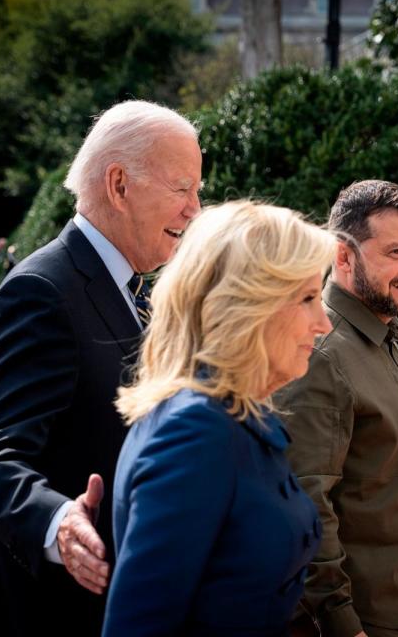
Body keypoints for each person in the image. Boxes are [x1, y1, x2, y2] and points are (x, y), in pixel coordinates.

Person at [0, 100, 202, 637]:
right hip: (40, 612)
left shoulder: (137, 291)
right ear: (119, 186)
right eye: (183, 189)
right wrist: (58, 523)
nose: (195, 209)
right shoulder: (42, 291)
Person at [103, 201, 334, 636]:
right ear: (246, 306)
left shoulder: (235, 414)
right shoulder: (195, 432)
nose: (323, 323)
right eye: (307, 298)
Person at [275, 180, 398, 637]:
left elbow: (394, 488)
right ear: (343, 256)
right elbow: (306, 504)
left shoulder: (385, 339)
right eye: (396, 252)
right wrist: (342, 622)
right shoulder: (321, 353)